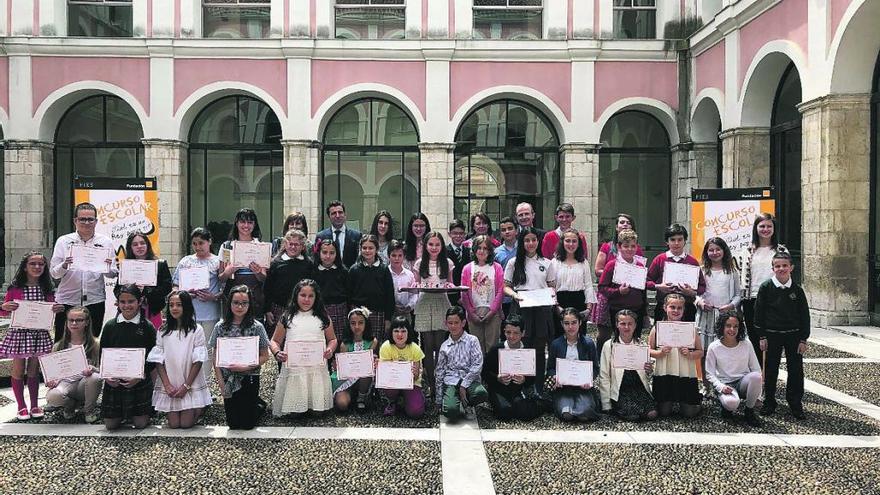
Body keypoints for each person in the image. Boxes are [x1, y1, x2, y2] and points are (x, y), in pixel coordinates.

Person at [0, 251, 65, 420]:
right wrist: (5, 307)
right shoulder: (15, 288)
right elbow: (4, 309)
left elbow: (52, 308)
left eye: (41, 264)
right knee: (18, 369)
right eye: (33, 264)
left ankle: (35, 404)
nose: (37, 267)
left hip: (39, 333)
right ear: (25, 267)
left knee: (34, 370)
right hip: (20, 333)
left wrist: (57, 309)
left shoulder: (47, 288)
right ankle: (21, 406)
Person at [754, 251, 809, 420]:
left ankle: (795, 403)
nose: (781, 269)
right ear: (773, 268)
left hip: (793, 335)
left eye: (785, 266)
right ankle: (770, 402)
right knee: (770, 370)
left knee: (796, 370)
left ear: (791, 267)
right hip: (772, 335)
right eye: (777, 266)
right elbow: (759, 314)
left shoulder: (797, 290)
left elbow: (804, 315)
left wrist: (803, 338)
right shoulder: (766, 287)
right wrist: (761, 336)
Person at [50, 202, 117, 340]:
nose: (86, 222)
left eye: (90, 219)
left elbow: (113, 274)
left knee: (91, 341)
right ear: (75, 221)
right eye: (82, 219)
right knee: (63, 341)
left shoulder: (106, 242)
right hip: (67, 300)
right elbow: (54, 273)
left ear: (96, 221)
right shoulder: (63, 241)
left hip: (94, 300)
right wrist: (65, 264)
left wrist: (107, 267)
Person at [270, 279, 337, 416]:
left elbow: (332, 339)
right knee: (295, 413)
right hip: (295, 369)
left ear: (316, 297)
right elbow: (274, 341)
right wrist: (277, 352)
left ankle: (314, 402)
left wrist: (330, 349)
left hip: (316, 368)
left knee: (318, 413)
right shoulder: (287, 317)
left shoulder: (323, 317)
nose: (306, 299)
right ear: (296, 296)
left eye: (311, 296)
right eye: (303, 295)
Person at [209, 285, 270, 430]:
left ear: (250, 304)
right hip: (228, 378)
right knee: (234, 424)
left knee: (247, 425)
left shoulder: (257, 327)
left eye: (244, 303)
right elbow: (215, 356)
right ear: (229, 303)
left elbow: (265, 356)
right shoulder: (220, 327)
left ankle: (259, 405)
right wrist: (220, 382)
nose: (240, 306)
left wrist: (247, 366)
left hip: (250, 376)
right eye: (236, 302)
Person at [148, 290, 212, 429]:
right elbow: (158, 360)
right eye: (171, 305)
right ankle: (186, 408)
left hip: (189, 381)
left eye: (179, 305)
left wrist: (186, 386)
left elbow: (198, 361)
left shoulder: (196, 330)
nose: (174, 308)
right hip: (171, 380)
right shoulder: (163, 330)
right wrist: (167, 385)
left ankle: (198, 407)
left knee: (185, 424)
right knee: (174, 424)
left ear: (186, 307)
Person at [100, 285, 157, 430]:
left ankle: (136, 413)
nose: (126, 305)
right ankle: (123, 414)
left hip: (139, 380)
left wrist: (140, 376)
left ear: (140, 301)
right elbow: (103, 354)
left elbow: (153, 357)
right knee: (111, 426)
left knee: (140, 424)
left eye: (131, 301)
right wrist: (107, 376)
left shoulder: (147, 327)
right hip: (114, 381)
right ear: (117, 303)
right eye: (122, 302)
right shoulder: (110, 326)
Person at [504, 227, 554, 386]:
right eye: (527, 240)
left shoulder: (546, 263)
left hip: (541, 309)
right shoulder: (514, 263)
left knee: (539, 347)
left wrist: (551, 295)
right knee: (521, 346)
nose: (530, 243)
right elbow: (505, 286)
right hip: (520, 307)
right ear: (522, 242)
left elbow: (552, 286)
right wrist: (514, 295)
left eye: (533, 240)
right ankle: (521, 384)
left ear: (538, 242)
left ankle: (538, 385)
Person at [172, 227, 222, 377]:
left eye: (201, 243)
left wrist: (213, 297)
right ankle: (186, 381)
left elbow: (224, 289)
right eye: (194, 243)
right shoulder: (186, 261)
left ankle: (205, 384)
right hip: (188, 313)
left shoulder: (217, 262)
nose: (198, 247)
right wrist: (184, 294)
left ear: (209, 242)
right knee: (187, 348)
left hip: (210, 314)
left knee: (206, 350)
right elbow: (175, 285)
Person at [739, 213, 787, 363]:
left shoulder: (781, 251)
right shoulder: (747, 251)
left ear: (774, 229)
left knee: (773, 339)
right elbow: (740, 275)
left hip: (775, 300)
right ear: (756, 228)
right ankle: (759, 375)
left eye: (769, 226)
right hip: (751, 299)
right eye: (762, 226)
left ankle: (771, 376)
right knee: (755, 338)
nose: (765, 229)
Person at [413, 231, 457, 397]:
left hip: (441, 303)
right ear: (425, 246)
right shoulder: (419, 263)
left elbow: (451, 284)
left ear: (441, 246)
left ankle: (441, 382)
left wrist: (450, 287)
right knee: (428, 346)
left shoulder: (448, 263)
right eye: (431, 244)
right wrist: (414, 285)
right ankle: (430, 383)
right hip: (424, 303)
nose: (434, 247)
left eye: (437, 244)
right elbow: (416, 284)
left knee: (440, 346)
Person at [695, 237, 741, 387]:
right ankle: (706, 384)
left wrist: (730, 306)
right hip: (705, 315)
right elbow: (695, 292)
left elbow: (738, 295)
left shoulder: (732, 271)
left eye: (718, 249)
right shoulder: (702, 270)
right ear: (706, 252)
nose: (714, 253)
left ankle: (722, 383)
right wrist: (700, 302)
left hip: (724, 316)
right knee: (705, 351)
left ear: (724, 251)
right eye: (711, 250)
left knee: (722, 350)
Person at [648, 293, 703, 418]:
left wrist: (690, 354)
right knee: (663, 413)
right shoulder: (657, 328)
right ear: (665, 307)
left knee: (689, 414)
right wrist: (660, 353)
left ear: (684, 310)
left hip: (685, 372)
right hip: (665, 372)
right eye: (672, 307)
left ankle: (699, 403)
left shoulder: (690, 329)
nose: (676, 310)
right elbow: (648, 350)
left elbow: (700, 351)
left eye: (679, 308)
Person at [45, 307, 103, 423]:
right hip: (66, 383)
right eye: (71, 320)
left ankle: (89, 411)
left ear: (87, 322)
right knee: (53, 396)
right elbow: (52, 372)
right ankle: (69, 406)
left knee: (95, 378)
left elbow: (104, 369)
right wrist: (51, 380)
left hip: (85, 383)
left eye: (79, 320)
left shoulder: (96, 344)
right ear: (66, 322)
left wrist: (93, 369)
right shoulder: (58, 346)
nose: (74, 323)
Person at [597, 309, 657, 422]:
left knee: (652, 414)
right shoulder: (609, 345)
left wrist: (649, 370)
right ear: (617, 325)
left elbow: (647, 374)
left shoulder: (641, 344)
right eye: (623, 324)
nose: (626, 327)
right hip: (620, 388)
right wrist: (606, 405)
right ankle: (617, 406)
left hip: (637, 386)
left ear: (635, 325)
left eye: (630, 324)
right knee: (633, 416)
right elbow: (604, 375)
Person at [705, 312, 762, 426]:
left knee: (756, 376)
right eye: (728, 325)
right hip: (725, 384)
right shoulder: (714, 347)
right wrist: (721, 387)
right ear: (722, 327)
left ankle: (749, 411)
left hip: (743, 382)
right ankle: (725, 405)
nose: (732, 329)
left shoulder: (746, 344)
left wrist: (758, 395)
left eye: (736, 326)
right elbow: (709, 374)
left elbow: (756, 369)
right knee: (731, 404)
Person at [481, 315, 542, 421]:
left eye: (516, 333)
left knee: (525, 413)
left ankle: (541, 404)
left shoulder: (527, 351)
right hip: (497, 389)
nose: (511, 336)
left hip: (516, 390)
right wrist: (497, 378)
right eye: (508, 332)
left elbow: (532, 379)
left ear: (523, 333)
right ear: (504, 332)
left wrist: (524, 379)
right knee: (504, 413)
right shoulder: (496, 349)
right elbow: (484, 373)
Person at [597, 229, 648, 353]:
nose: (629, 249)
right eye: (626, 246)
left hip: (637, 310)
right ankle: (617, 370)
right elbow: (602, 288)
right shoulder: (611, 265)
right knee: (619, 341)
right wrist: (618, 291)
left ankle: (634, 369)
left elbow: (643, 290)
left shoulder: (640, 266)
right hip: (617, 310)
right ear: (619, 247)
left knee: (635, 340)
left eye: (632, 246)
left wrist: (645, 310)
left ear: (637, 247)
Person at [547, 308, 601, 422]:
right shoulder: (556, 344)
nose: (570, 327)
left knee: (584, 413)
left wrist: (589, 379)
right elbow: (550, 368)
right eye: (566, 323)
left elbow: (595, 368)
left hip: (583, 387)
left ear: (580, 323)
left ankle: (585, 406)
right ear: (562, 324)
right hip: (563, 387)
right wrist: (555, 377)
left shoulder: (588, 343)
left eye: (574, 323)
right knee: (566, 414)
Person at [435, 306, 488, 420]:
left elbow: (477, 364)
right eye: (450, 323)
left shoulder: (472, 340)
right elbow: (440, 372)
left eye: (456, 322)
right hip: (451, 380)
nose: (453, 326)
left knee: (481, 394)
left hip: (469, 379)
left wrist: (464, 385)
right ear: (446, 323)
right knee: (450, 412)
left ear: (463, 323)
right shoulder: (444, 346)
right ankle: (455, 399)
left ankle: (467, 403)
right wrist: (439, 399)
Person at [646, 223, 706, 322]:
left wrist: (691, 292)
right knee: (662, 336)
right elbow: (646, 281)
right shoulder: (659, 259)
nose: (676, 243)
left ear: (685, 241)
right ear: (667, 242)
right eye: (673, 240)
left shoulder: (692, 261)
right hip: (664, 307)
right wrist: (659, 286)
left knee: (686, 336)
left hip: (687, 308)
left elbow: (702, 286)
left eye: (680, 239)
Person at [218, 208, 267, 318]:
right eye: (242, 222)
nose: (246, 225)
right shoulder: (227, 246)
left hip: (254, 300)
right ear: (236, 223)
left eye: (250, 222)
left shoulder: (260, 246)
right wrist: (228, 272)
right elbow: (221, 278)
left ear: (255, 225)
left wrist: (258, 272)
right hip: (232, 299)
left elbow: (264, 278)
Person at [548, 228, 598, 336]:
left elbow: (588, 285)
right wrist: (556, 306)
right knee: (560, 336)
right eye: (568, 241)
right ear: (562, 242)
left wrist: (589, 308)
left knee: (579, 337)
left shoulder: (583, 262)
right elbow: (551, 287)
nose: (571, 244)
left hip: (579, 302)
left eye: (574, 241)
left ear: (579, 243)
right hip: (560, 302)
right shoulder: (554, 262)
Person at [460, 235, 505, 354]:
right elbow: (464, 293)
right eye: (479, 248)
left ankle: (490, 372)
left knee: (492, 345)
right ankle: (478, 372)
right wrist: (471, 313)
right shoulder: (467, 268)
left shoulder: (497, 267)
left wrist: (492, 312)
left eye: (485, 248)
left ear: (490, 251)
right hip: (474, 312)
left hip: (492, 312)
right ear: (474, 250)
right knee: (477, 347)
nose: (482, 251)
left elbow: (501, 291)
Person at [121, 231, 173, 331]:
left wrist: (147, 290)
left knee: (153, 340)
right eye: (135, 244)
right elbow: (118, 288)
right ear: (130, 247)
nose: (139, 246)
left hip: (153, 309)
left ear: (147, 244)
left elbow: (167, 287)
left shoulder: (160, 264)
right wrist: (123, 295)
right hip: (130, 310)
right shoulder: (126, 265)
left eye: (142, 243)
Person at [349, 235, 395, 342]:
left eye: (371, 248)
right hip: (359, 315)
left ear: (377, 249)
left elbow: (389, 295)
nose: (367, 251)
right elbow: (349, 294)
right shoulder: (354, 269)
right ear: (360, 249)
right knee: (360, 344)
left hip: (378, 313)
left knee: (376, 344)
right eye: (364, 248)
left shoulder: (384, 269)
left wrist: (388, 319)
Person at [378, 316, 426, 419]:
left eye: (403, 331)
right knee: (389, 388)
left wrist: (415, 373)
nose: (400, 334)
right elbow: (385, 374)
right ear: (391, 332)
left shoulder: (415, 348)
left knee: (416, 412)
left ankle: (411, 399)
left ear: (408, 332)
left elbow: (416, 377)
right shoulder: (386, 347)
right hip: (393, 383)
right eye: (396, 331)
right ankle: (392, 401)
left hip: (411, 383)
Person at [263, 229, 313, 328]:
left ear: (303, 247)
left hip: (302, 309)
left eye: (297, 244)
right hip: (278, 308)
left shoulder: (309, 264)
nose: (293, 247)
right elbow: (267, 288)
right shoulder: (276, 263)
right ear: (285, 244)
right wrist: (267, 310)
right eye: (290, 244)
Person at [331, 307, 377, 412]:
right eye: (353, 323)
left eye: (360, 323)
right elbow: (344, 369)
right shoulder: (344, 344)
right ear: (349, 325)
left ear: (366, 324)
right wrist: (339, 365)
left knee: (368, 369)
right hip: (346, 380)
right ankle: (350, 394)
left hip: (363, 380)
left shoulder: (372, 341)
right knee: (342, 405)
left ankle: (361, 397)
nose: (357, 326)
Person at [312, 239, 350, 343]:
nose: (328, 256)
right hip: (319, 310)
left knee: (339, 340)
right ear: (319, 253)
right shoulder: (313, 271)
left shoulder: (343, 271)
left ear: (337, 254)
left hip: (340, 311)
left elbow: (349, 294)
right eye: (324, 252)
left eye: (332, 253)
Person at [594, 213, 643, 278]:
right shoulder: (606, 247)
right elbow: (597, 271)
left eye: (628, 223)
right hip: (610, 285)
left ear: (632, 227)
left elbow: (640, 271)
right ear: (617, 227)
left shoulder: (637, 248)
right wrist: (617, 273)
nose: (625, 224)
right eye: (622, 222)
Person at [314, 201, 362, 268]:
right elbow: (316, 258)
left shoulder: (356, 236)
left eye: (340, 212)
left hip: (350, 276)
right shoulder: (321, 236)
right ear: (329, 217)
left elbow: (359, 258)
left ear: (345, 215)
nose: (337, 216)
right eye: (333, 213)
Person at [494, 216, 518, 318]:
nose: (507, 232)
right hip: (502, 298)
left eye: (510, 228)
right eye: (503, 230)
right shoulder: (496, 252)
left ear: (516, 231)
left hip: (519, 296)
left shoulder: (523, 249)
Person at [388, 240, 418, 323]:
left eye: (400, 255)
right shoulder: (385, 273)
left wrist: (409, 306)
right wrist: (393, 306)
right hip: (389, 313)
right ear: (388, 256)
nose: (396, 258)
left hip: (406, 312)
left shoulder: (409, 275)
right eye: (393, 255)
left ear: (404, 256)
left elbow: (414, 294)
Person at [446, 219, 470, 306]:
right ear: (449, 234)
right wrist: (456, 298)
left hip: (467, 296)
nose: (458, 236)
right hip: (450, 296)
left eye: (461, 233)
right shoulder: (444, 252)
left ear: (465, 234)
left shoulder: (469, 252)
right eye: (455, 233)